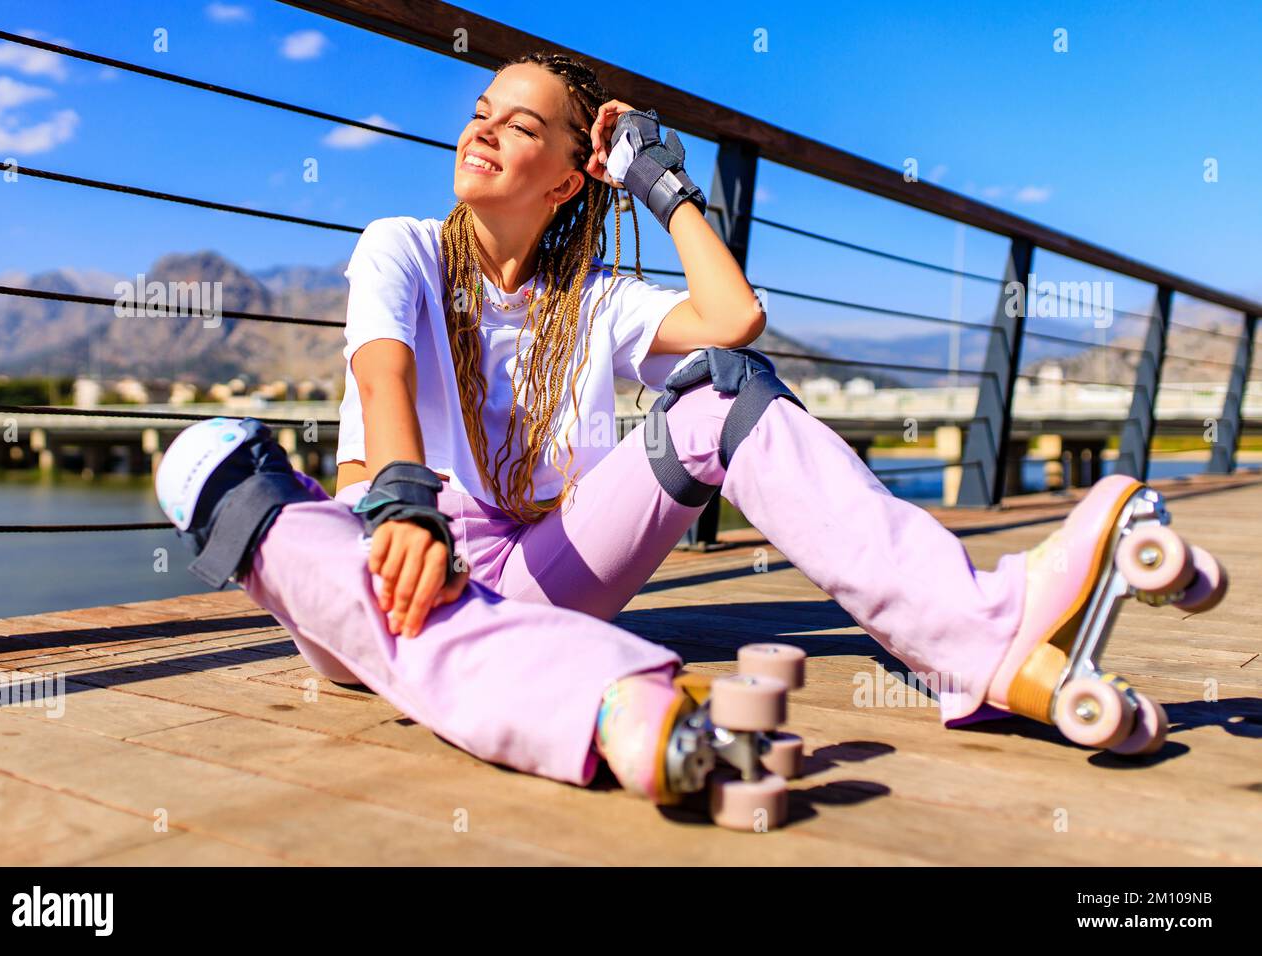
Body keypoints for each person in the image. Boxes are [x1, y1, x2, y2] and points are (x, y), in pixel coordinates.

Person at [155, 53, 1224, 827]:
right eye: (482, 112)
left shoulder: (597, 302)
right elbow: (379, 371)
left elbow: (731, 320)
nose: (483, 130)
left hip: (533, 574)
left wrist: (662, 185)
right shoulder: (398, 248)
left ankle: (973, 635)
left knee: (725, 391)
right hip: (384, 574)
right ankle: (599, 695)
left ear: (571, 176)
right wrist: (399, 497)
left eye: (521, 127)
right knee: (206, 456)